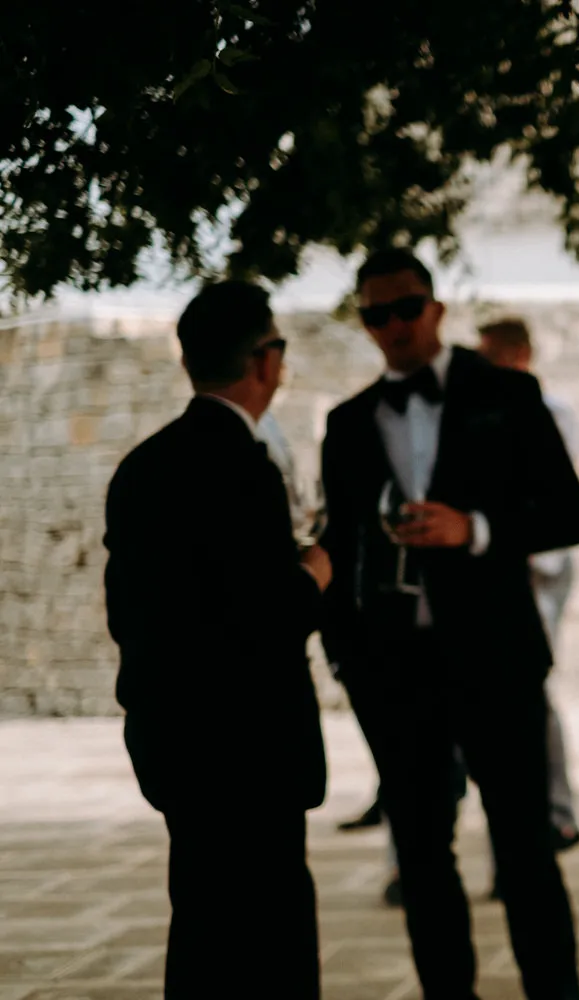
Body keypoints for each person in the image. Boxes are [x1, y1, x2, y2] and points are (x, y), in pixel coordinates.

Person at [319, 248, 579, 1000]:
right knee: (422, 858)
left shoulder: (509, 394)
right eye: (377, 315)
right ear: (366, 325)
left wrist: (473, 528)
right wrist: (351, 665)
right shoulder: (347, 425)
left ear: (435, 310)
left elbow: (571, 515)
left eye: (407, 308)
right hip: (398, 674)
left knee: (527, 851)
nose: (395, 326)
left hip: (498, 660)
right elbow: (339, 549)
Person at [103, 280, 332, 999]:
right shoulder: (245, 468)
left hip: (174, 739)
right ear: (265, 361)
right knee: (273, 940)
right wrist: (316, 571)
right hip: (250, 748)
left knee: (201, 927)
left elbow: (128, 611)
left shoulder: (142, 467)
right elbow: (267, 618)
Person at [476, 317, 579, 850]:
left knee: (532, 691)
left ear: (516, 355)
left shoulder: (546, 411)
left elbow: (557, 505)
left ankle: (554, 812)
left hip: (539, 567)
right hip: (497, 567)